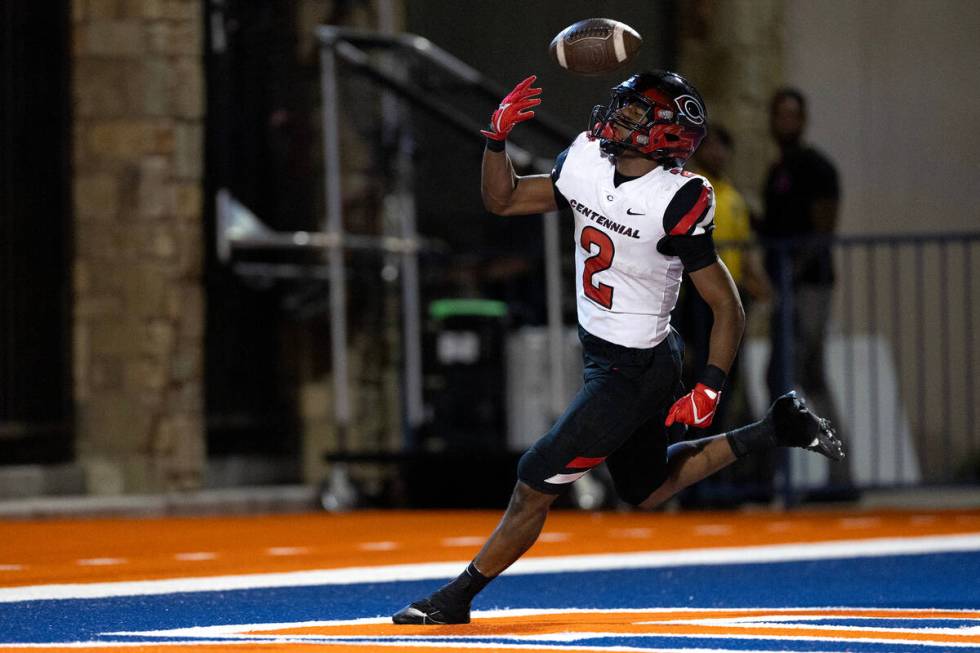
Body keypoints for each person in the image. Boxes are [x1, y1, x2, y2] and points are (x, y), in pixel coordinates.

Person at [393, 71, 845, 626]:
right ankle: (777, 427)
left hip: (633, 369)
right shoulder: (586, 159)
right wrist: (495, 139)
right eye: (623, 108)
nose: (617, 118)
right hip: (619, 358)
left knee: (535, 481)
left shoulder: (678, 198)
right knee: (645, 489)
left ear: (666, 134)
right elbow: (504, 199)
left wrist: (710, 385)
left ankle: (457, 598)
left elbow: (727, 306)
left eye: (635, 113)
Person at [755, 88, 853, 494]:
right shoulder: (777, 169)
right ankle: (830, 477)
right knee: (802, 377)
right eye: (780, 115)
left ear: (803, 120)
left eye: (792, 115)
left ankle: (783, 478)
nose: (786, 122)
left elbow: (822, 231)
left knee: (792, 375)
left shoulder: (817, 167)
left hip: (809, 286)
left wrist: (793, 276)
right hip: (788, 284)